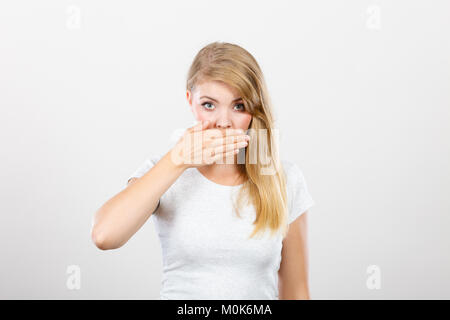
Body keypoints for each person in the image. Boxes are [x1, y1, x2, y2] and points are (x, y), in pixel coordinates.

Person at [91, 41, 315, 300]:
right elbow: (104, 235)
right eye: (209, 105)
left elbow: (297, 292)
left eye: (239, 106)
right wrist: (177, 160)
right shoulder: (163, 171)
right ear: (190, 101)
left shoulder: (283, 179)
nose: (223, 122)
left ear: (255, 111)